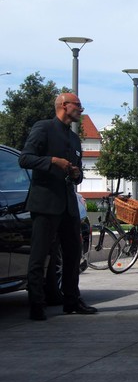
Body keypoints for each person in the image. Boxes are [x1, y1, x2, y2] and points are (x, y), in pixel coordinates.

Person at [19, 92, 97, 320]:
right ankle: (36, 305)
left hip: (69, 206)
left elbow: (78, 176)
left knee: (73, 254)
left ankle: (72, 301)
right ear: (64, 105)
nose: (81, 110)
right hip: (45, 203)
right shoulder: (43, 128)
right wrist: (52, 161)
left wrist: (76, 173)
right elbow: (25, 158)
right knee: (39, 254)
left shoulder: (74, 139)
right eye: (78, 105)